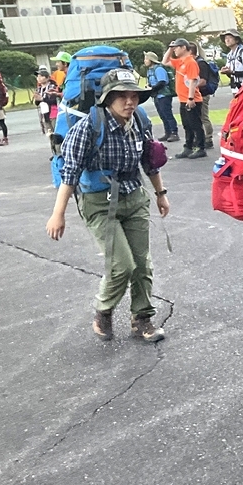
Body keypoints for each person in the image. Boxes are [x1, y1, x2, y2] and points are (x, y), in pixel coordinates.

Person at [45, 68, 170, 343]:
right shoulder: (87, 129)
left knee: (141, 264)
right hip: (99, 202)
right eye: (121, 96)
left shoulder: (138, 121)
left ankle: (142, 318)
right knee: (121, 265)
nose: (129, 102)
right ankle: (103, 310)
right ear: (106, 99)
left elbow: (150, 160)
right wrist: (58, 214)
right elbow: (70, 174)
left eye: (134, 96)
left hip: (134, 196)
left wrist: (161, 193)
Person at [163, 38, 206, 159]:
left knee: (195, 124)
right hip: (183, 99)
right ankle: (188, 146)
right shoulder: (180, 62)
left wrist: (191, 98)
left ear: (183, 47)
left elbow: (192, 81)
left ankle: (200, 147)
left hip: (191, 99)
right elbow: (165, 61)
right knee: (187, 125)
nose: (175, 50)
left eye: (177, 47)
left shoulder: (190, 62)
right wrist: (170, 49)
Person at [143, 52, 178, 142]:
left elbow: (162, 82)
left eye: (146, 59)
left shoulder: (158, 69)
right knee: (162, 115)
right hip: (157, 95)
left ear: (151, 60)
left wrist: (152, 88)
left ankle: (174, 133)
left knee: (167, 114)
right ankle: (168, 132)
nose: (145, 61)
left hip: (164, 95)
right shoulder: (150, 70)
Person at [192, 42, 218, 150]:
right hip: (197, 93)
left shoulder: (201, 63)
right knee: (197, 117)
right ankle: (200, 138)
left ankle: (208, 138)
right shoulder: (194, 63)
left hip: (203, 93)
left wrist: (191, 88)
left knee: (204, 117)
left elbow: (203, 81)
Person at [219, 29, 243, 96]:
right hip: (234, 87)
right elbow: (231, 75)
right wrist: (226, 72)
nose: (227, 40)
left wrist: (232, 72)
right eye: (226, 38)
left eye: (230, 38)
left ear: (237, 40)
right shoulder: (229, 55)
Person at [34, 67, 61, 135]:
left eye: (41, 76)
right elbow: (37, 103)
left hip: (53, 112)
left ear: (48, 78)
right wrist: (37, 99)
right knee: (49, 134)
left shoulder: (52, 87)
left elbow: (53, 100)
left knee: (56, 133)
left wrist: (42, 99)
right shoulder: (39, 89)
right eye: (38, 76)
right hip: (44, 113)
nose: (39, 78)